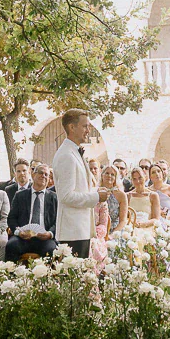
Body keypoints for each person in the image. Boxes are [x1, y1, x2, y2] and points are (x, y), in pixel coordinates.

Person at [52, 109, 103, 259]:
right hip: (72, 231)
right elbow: (66, 196)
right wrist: (96, 197)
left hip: (80, 228)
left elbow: (80, 187)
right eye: (85, 126)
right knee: (74, 279)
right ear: (71, 127)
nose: (89, 130)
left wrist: (96, 191)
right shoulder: (66, 155)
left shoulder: (74, 152)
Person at [6, 163, 59, 262]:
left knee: (52, 250)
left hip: (45, 239)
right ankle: (12, 276)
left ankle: (46, 277)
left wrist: (50, 233)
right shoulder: (20, 195)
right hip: (22, 238)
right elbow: (11, 218)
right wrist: (18, 232)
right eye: (41, 173)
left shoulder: (54, 197)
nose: (43, 176)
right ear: (33, 175)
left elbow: (58, 221)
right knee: (11, 246)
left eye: (46, 175)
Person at [127, 166, 161, 232]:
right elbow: (124, 217)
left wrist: (144, 224)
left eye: (140, 178)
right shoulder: (128, 196)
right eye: (134, 179)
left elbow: (156, 218)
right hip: (130, 228)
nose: (138, 181)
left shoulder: (153, 195)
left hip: (147, 228)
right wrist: (132, 222)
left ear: (145, 177)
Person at [99, 164, 129, 234]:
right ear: (102, 175)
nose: (109, 176)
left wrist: (113, 235)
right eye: (107, 173)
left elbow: (123, 221)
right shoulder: (95, 192)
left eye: (112, 174)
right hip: (97, 231)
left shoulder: (121, 195)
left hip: (115, 232)